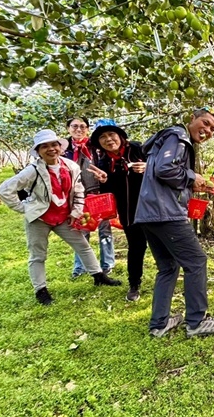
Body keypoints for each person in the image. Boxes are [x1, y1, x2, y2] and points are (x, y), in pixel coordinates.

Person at [0, 130, 122, 305]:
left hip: (64, 216)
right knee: (38, 255)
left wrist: (76, 211)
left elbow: (78, 190)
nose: (51, 149)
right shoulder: (32, 171)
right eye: (45, 146)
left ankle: (99, 276)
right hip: (39, 219)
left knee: (83, 246)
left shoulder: (70, 166)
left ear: (60, 147)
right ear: (39, 151)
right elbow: (4, 190)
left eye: (54, 145)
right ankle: (40, 290)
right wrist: (24, 208)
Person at [135, 108, 214, 338]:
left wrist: (191, 184)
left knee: (167, 266)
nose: (207, 130)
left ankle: (159, 323)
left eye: (212, 129)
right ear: (191, 119)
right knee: (196, 262)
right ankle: (196, 322)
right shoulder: (179, 136)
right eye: (205, 123)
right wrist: (190, 176)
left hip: (148, 213)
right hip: (166, 213)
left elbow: (163, 173)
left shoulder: (168, 140)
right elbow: (165, 169)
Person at [88, 119, 148, 302]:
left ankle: (170, 277)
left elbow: (162, 168)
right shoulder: (103, 162)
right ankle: (134, 283)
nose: (108, 139)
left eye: (111, 134)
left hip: (153, 208)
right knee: (136, 247)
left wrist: (148, 167)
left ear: (120, 136)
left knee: (164, 244)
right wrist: (105, 182)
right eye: (103, 137)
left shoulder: (139, 149)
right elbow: (109, 194)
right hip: (129, 212)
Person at [63, 117, 115, 278]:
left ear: (87, 129)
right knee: (81, 230)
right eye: (75, 126)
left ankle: (107, 264)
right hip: (77, 195)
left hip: (97, 194)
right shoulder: (63, 148)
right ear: (68, 128)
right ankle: (81, 267)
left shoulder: (95, 147)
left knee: (104, 230)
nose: (79, 129)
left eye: (83, 126)